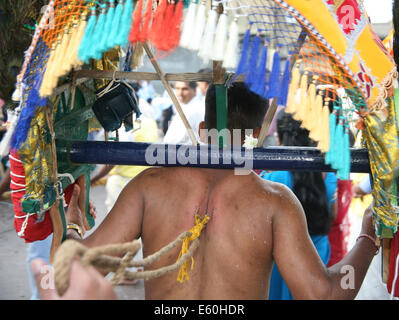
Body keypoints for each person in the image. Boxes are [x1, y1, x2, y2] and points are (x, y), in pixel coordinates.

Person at [41, 83, 377, 300]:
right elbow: (323, 295)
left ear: (203, 129)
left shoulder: (148, 186)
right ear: (258, 135)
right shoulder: (275, 203)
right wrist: (368, 238)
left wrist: (70, 223)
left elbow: (72, 273)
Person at [259, 111, 338, 300]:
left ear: (280, 140)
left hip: (279, 264)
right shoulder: (329, 177)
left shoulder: (270, 181)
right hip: (316, 258)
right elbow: (332, 216)